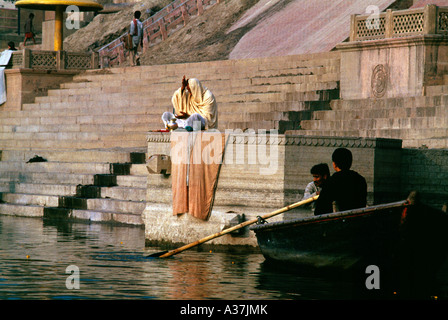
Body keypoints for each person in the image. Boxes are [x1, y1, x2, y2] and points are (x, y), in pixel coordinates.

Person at [314, 148, 367, 215]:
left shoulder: (332, 181)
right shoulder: (360, 180)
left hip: (341, 222)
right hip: (358, 220)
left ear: (334, 164)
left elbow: (320, 209)